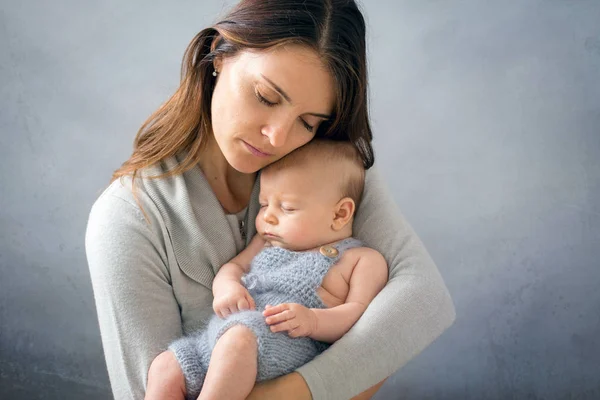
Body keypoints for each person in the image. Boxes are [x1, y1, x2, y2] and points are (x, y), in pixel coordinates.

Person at [85, 1, 456, 399]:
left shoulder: (327, 167)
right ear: (219, 55)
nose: (278, 138)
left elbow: (424, 305)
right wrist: (359, 365)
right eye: (265, 96)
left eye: (308, 122)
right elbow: (147, 389)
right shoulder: (129, 218)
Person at [144, 140, 389, 400]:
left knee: (239, 337)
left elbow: (358, 317)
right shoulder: (266, 242)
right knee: (165, 365)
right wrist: (227, 286)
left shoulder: (360, 260)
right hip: (217, 340)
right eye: (263, 205)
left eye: (287, 208)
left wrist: (314, 321)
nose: (268, 217)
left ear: (340, 214)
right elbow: (234, 267)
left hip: (285, 346)